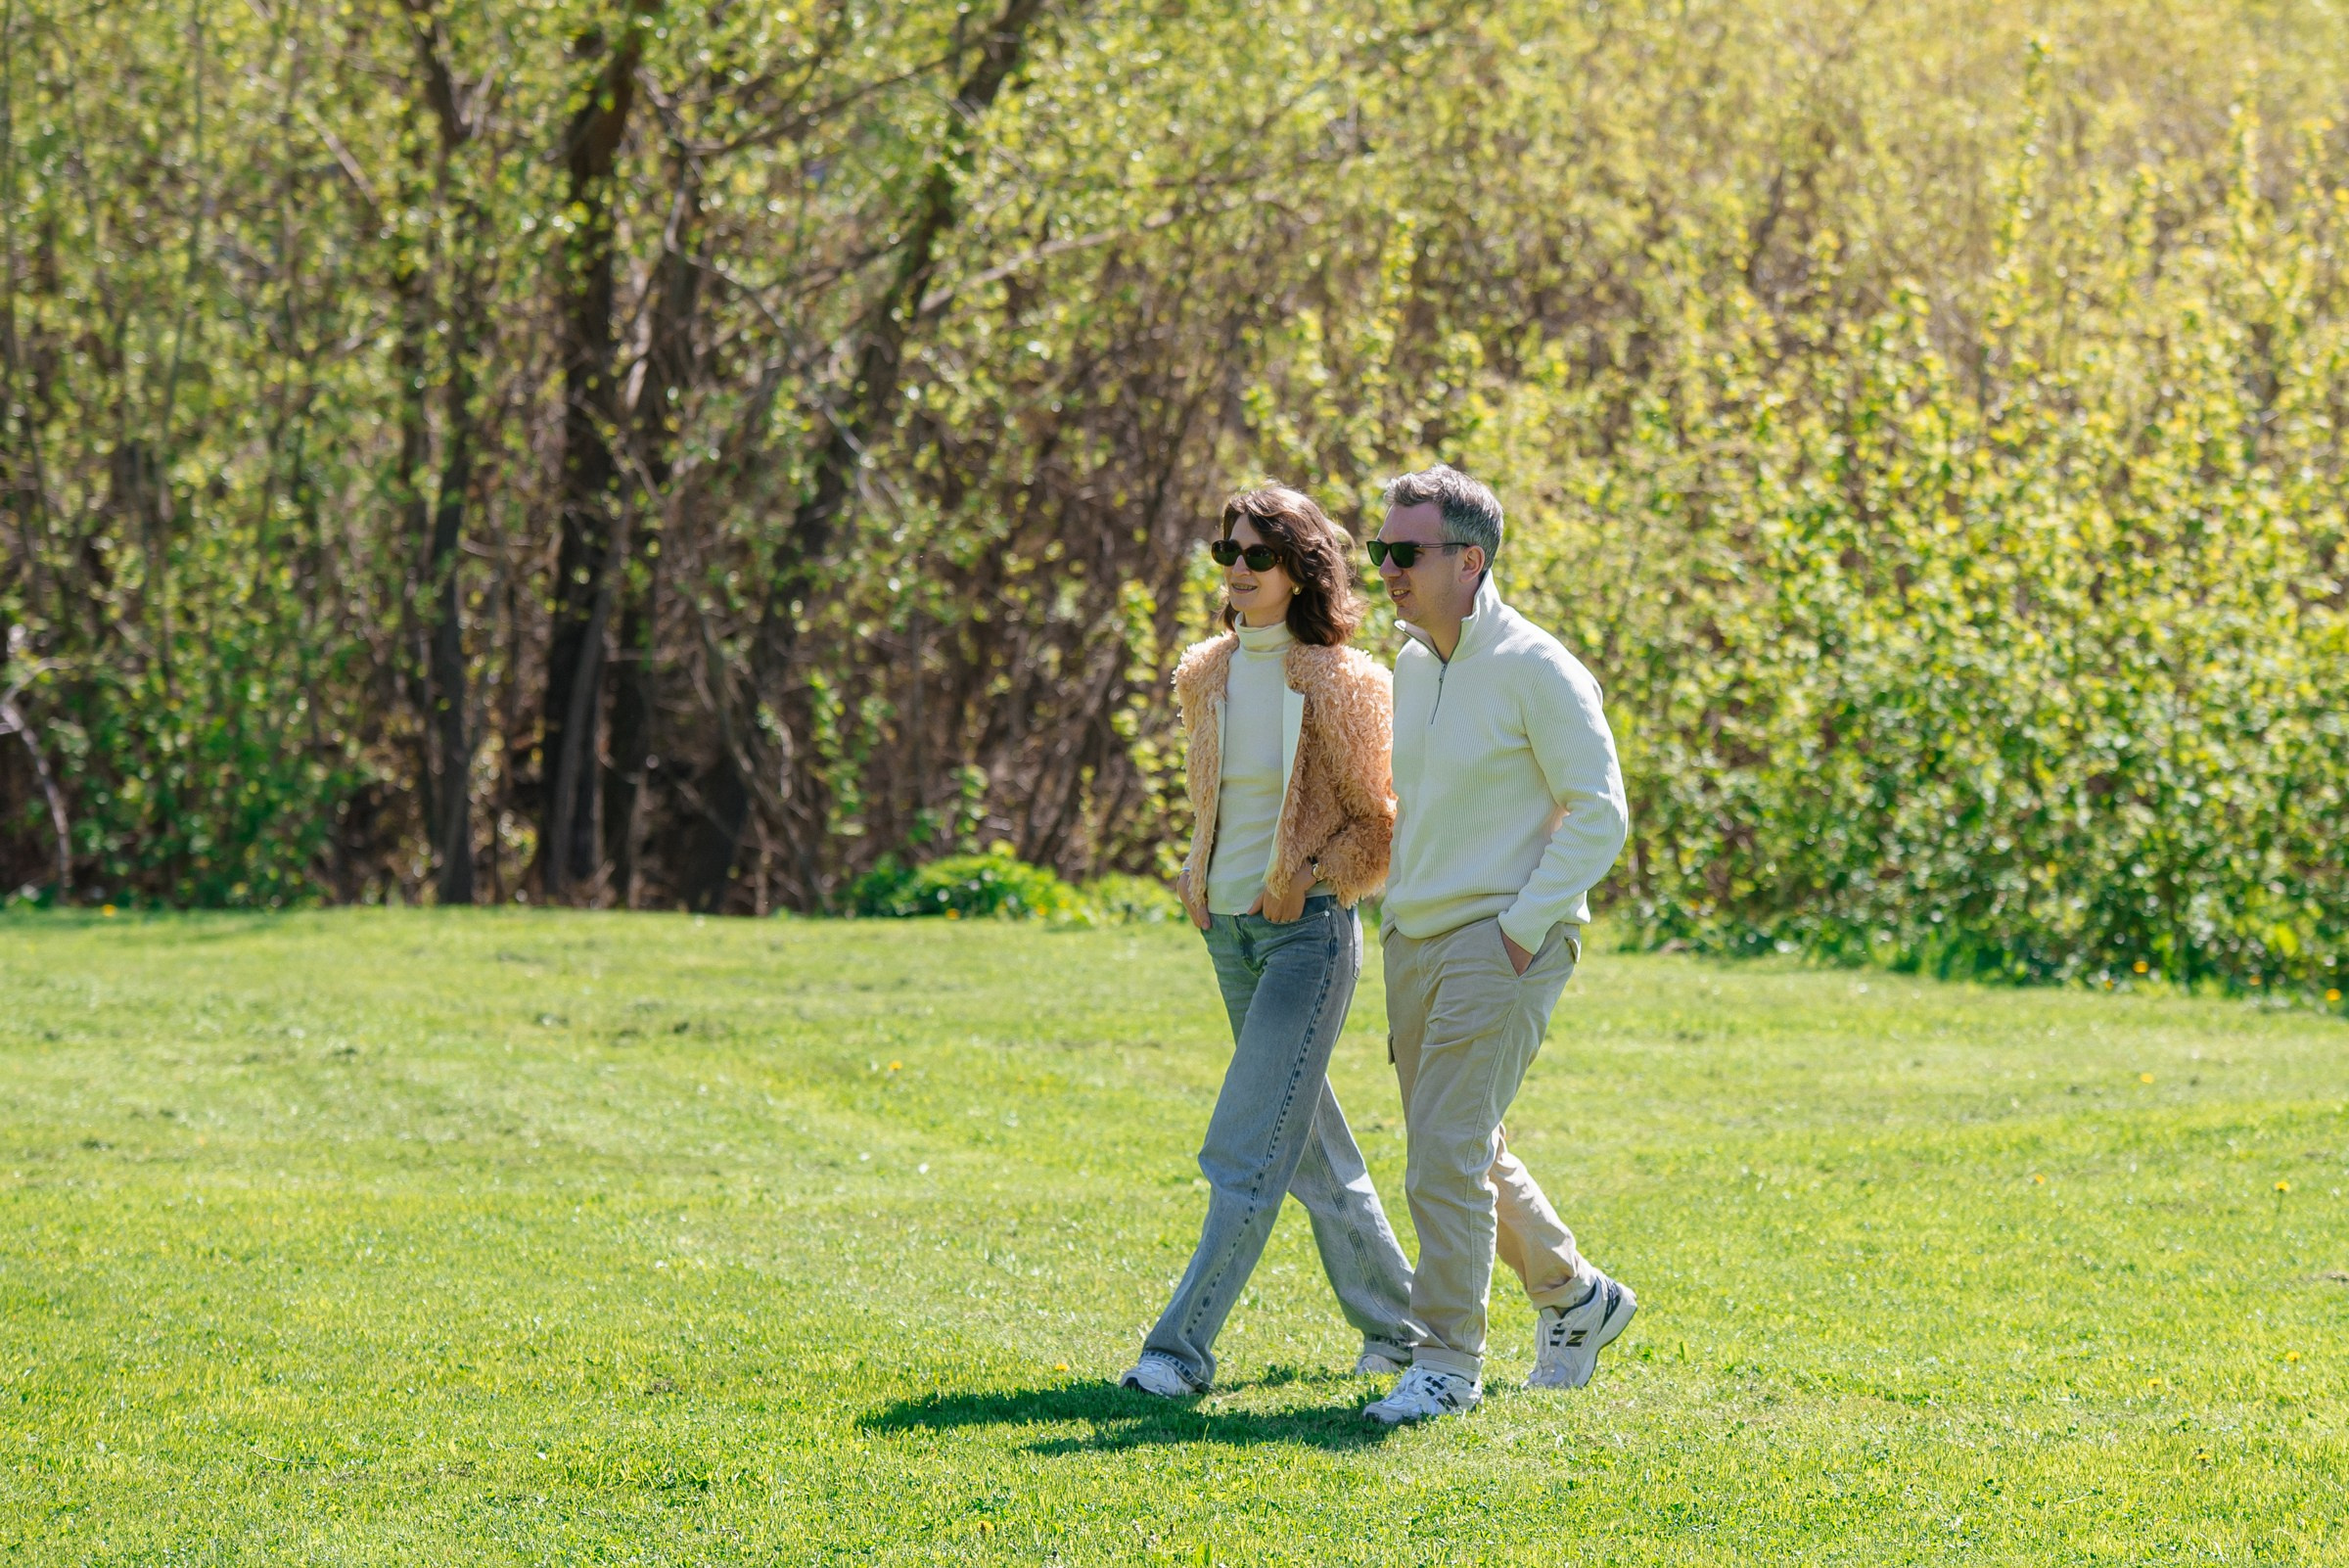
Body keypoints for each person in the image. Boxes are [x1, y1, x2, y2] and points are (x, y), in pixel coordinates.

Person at [1118, 485, 1427, 1397]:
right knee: (1315, 1150)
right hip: (1229, 937)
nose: (1240, 569)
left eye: (1259, 554)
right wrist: (1194, 871)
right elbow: (1219, 796)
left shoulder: (1344, 679)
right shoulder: (1203, 673)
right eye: (1229, 553)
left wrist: (1300, 878)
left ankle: (1179, 1352)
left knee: (1247, 1147)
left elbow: (1380, 824)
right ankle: (1402, 1328)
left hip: (1308, 939)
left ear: (1302, 569)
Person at [1359, 464, 1635, 1426]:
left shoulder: (1537, 668)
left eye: (1406, 551)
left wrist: (1520, 934)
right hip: (1415, 940)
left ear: (1469, 561)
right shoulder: (1412, 665)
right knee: (1465, 1147)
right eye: (1380, 549)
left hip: (1502, 941)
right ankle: (1575, 1296)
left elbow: (1599, 814)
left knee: (1444, 1152)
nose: (1386, 567)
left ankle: (1445, 1364)